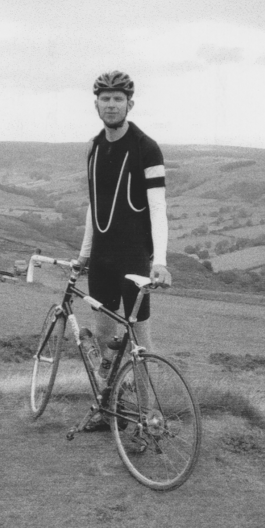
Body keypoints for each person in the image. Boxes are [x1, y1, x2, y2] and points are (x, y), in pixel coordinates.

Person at [77, 71, 171, 429]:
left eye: (118, 99)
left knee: (140, 344)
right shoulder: (93, 146)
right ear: (96, 103)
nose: (111, 105)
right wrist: (84, 253)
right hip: (101, 258)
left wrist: (159, 261)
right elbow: (93, 204)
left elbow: (159, 208)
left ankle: (148, 418)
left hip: (133, 257)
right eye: (106, 98)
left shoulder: (147, 148)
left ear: (130, 104)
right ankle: (108, 410)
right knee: (102, 338)